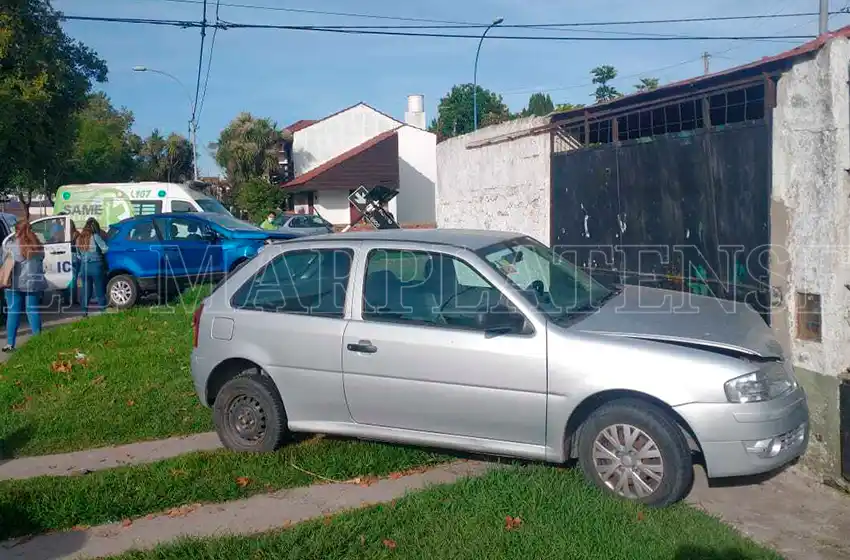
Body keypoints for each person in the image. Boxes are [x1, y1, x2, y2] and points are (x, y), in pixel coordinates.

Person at [3, 220, 47, 352]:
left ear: (17, 231)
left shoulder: (12, 245)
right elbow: (41, 259)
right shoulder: (38, 245)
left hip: (15, 284)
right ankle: (39, 341)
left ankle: (10, 344)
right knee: (32, 310)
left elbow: (5, 262)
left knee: (13, 312)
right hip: (34, 283)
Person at [75, 217, 108, 316]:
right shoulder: (95, 236)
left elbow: (78, 256)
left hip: (84, 267)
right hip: (96, 266)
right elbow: (105, 249)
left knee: (86, 292)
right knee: (100, 291)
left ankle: (84, 313)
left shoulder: (79, 239)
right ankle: (103, 312)